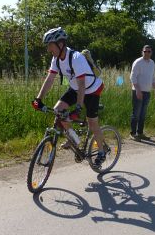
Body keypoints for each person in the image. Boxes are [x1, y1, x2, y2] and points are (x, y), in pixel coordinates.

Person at [32, 27, 106, 166]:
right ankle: (74, 139)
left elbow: (82, 84)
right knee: (58, 110)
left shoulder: (76, 58)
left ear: (60, 44)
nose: (49, 49)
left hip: (91, 89)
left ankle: (101, 152)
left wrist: (78, 107)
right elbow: (49, 79)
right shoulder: (56, 59)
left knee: (92, 122)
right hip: (76, 88)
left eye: (50, 46)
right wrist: (38, 99)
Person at [129, 45, 155, 141]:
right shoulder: (138, 62)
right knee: (136, 113)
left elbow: (152, 78)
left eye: (149, 51)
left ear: (151, 53)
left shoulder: (152, 63)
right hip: (137, 91)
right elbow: (132, 77)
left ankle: (140, 133)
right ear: (142, 52)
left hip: (147, 92)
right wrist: (137, 90)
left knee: (143, 114)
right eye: (145, 51)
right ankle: (133, 134)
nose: (147, 53)